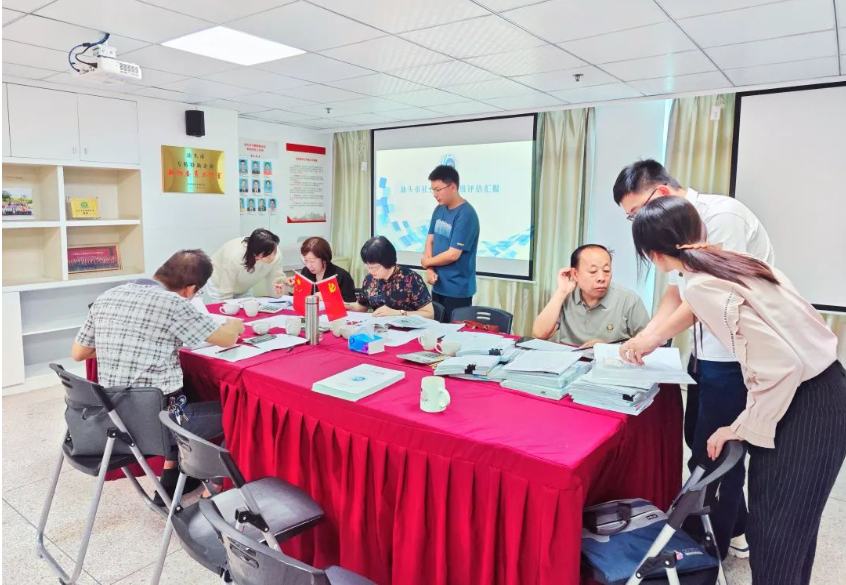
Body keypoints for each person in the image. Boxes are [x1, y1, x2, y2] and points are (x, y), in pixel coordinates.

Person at [632, 196, 845, 585]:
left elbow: (782, 367)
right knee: (794, 530)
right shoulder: (737, 261)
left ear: (654, 255)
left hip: (805, 400)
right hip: (826, 385)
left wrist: (741, 426)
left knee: (775, 535)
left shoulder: (702, 285)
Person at [613, 159, 774, 560]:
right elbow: (677, 291)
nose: (637, 222)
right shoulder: (676, 223)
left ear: (662, 193)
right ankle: (738, 528)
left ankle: (710, 550)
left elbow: (710, 296)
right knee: (698, 441)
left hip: (734, 358)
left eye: (636, 211)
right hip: (704, 354)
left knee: (715, 455)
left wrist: (653, 338)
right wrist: (645, 335)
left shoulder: (721, 217)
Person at [71, 250, 246, 502]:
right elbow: (226, 338)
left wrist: (127, 343)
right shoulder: (173, 303)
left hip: (112, 419)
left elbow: (79, 353)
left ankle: (171, 476)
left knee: (178, 395)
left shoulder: (108, 295)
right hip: (158, 425)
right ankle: (217, 483)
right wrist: (234, 325)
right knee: (240, 412)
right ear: (190, 289)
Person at [532, 244, 649, 347]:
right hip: (570, 360)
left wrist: (608, 347)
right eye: (593, 272)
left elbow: (648, 343)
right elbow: (540, 334)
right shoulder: (566, 296)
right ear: (575, 274)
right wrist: (561, 292)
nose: (601, 278)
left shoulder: (629, 300)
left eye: (606, 271)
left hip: (610, 362)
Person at [422, 165, 480, 323]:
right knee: (435, 329)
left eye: (438, 189)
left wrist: (427, 262)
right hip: (438, 285)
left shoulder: (466, 214)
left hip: (457, 289)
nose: (435, 194)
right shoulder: (439, 210)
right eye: (433, 190)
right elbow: (430, 239)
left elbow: (453, 254)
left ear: (453, 187)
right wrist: (430, 269)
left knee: (454, 333)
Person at [347, 236, 434, 319]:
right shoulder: (370, 279)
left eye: (374, 267)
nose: (370, 271)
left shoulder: (411, 279)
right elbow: (362, 306)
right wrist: (345, 305)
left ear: (387, 261)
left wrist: (398, 313)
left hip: (408, 327)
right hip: (380, 326)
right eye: (367, 266)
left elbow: (429, 314)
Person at [207, 229, 286, 301]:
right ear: (256, 255)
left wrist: (281, 284)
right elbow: (225, 292)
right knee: (223, 309)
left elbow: (276, 276)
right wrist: (228, 308)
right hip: (219, 283)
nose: (272, 258)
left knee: (248, 306)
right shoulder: (234, 258)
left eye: (274, 252)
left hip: (243, 285)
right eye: (267, 256)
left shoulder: (274, 252)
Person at [286, 237, 356, 302]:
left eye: (312, 261)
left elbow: (351, 303)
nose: (308, 265)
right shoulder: (306, 271)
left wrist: (329, 298)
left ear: (324, 259)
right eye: (306, 260)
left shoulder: (342, 276)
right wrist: (285, 292)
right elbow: (301, 298)